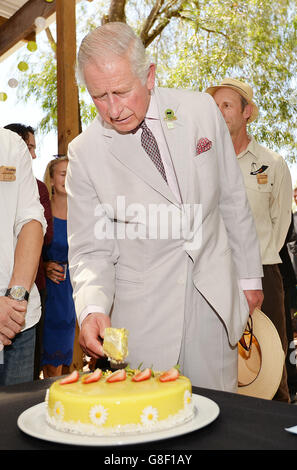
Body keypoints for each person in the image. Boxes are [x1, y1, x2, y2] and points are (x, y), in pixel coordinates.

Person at [66, 22, 263, 393]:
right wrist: (92, 308)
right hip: (144, 320)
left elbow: (232, 196)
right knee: (149, 429)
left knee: (217, 426)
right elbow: (90, 249)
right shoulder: (84, 153)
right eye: (98, 96)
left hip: (215, 301)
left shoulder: (201, 109)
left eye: (122, 91)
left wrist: (250, 278)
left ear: (150, 75)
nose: (112, 109)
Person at [206, 78, 292, 401]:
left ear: (248, 112)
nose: (219, 111)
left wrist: (255, 260)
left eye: (226, 105)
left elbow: (280, 223)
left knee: (271, 365)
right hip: (215, 277)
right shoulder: (204, 164)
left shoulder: (274, 163)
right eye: (215, 106)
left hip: (265, 275)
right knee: (221, 367)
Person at [4, 123, 53, 379]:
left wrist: (15, 300)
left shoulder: (11, 146)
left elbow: (33, 222)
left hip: (19, 319)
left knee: (16, 414)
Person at [41, 156, 76, 378]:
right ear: (52, 180)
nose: (67, 178)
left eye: (70, 173)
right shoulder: (42, 211)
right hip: (50, 291)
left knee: (66, 353)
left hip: (73, 289)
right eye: (63, 174)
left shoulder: (82, 212)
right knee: (47, 356)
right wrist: (43, 266)